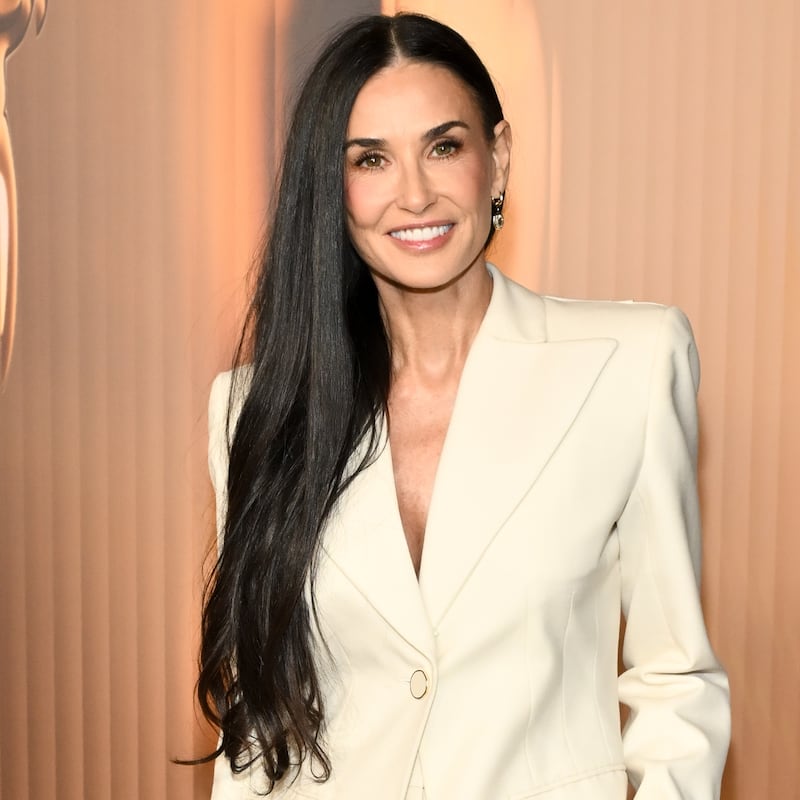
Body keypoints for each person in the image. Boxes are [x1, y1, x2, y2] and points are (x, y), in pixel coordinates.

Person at [199, 12, 730, 800]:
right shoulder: (254, 408)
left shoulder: (631, 364)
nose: (415, 194)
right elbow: (258, 718)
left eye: (444, 146)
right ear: (332, 188)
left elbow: (674, 678)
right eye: (371, 159)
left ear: (498, 158)